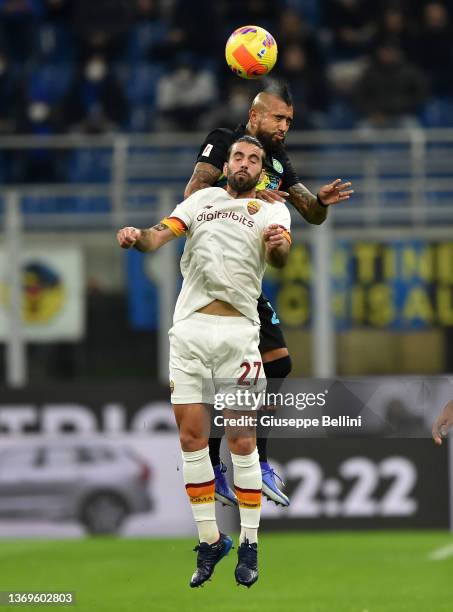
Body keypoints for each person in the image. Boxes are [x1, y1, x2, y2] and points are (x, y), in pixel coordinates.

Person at [117, 135, 291, 588]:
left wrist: (276, 245)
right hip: (189, 331)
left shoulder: (271, 208)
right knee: (192, 439)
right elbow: (159, 236)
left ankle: (250, 543)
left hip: (238, 334)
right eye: (238, 156)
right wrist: (138, 238)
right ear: (227, 162)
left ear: (261, 170)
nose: (245, 163)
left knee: (240, 441)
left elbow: (281, 255)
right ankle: (210, 541)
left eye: (254, 159)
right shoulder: (199, 202)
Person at [184, 81, 353, 507]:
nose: (284, 127)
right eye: (278, 118)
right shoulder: (224, 143)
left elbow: (310, 212)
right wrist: (251, 195)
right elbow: (193, 195)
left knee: (277, 365)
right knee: (231, 375)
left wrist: (323, 202)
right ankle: (220, 466)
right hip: (211, 276)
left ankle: (251, 462)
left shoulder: (277, 159)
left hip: (246, 283)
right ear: (255, 115)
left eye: (289, 121)